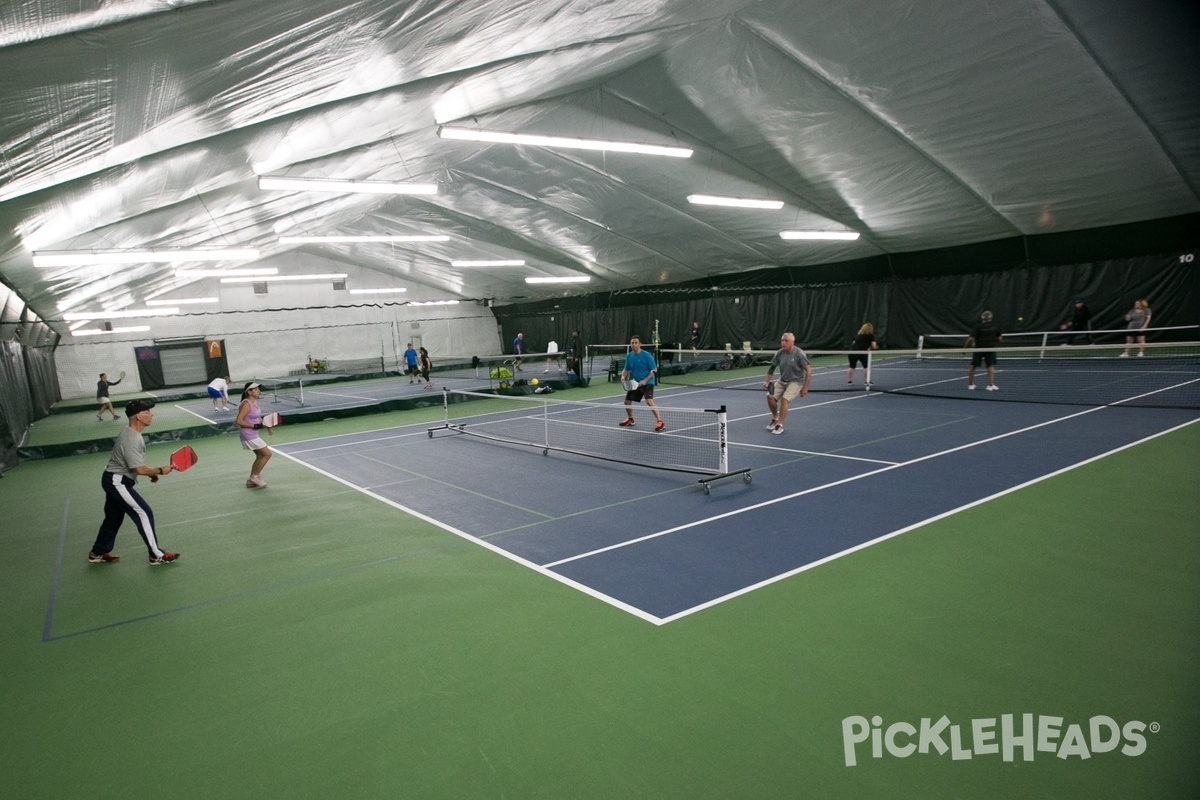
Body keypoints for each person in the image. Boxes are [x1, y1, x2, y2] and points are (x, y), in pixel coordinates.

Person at [88, 399, 179, 565]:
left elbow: (137, 467)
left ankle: (97, 552)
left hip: (114, 479)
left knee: (113, 518)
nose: (151, 415)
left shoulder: (133, 434)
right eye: (147, 412)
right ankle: (156, 554)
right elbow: (138, 469)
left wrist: (152, 474)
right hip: (117, 482)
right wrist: (160, 470)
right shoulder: (131, 438)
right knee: (144, 512)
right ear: (137, 416)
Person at [763, 332, 811, 435]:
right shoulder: (779, 353)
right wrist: (767, 381)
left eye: (786, 341)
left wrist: (805, 387)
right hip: (782, 380)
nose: (783, 343)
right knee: (769, 397)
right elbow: (772, 368)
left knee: (785, 400)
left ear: (792, 342)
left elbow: (808, 369)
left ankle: (779, 425)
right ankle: (775, 418)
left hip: (796, 381)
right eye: (782, 341)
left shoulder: (799, 353)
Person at [619, 336, 664, 431]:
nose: (634, 344)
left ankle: (660, 421)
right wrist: (623, 377)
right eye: (632, 343)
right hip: (636, 383)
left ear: (640, 344)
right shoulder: (629, 356)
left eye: (636, 343)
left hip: (648, 382)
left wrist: (645, 380)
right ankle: (630, 419)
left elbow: (654, 370)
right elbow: (626, 369)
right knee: (627, 402)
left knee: (649, 401)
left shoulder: (647, 355)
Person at [235, 381, 272, 489]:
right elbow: (238, 421)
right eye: (256, 389)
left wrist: (267, 426)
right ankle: (255, 476)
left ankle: (251, 480)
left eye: (258, 389)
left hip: (253, 434)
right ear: (249, 392)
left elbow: (257, 417)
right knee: (267, 454)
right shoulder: (246, 404)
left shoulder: (254, 402)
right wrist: (253, 426)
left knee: (260, 456)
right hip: (248, 434)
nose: (258, 391)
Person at [966, 310, 1002, 391]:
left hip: (979, 348)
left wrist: (965, 348)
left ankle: (971, 385)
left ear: (982, 318)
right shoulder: (995, 327)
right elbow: (1000, 339)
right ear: (991, 318)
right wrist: (994, 341)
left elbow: (971, 339)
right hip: (990, 348)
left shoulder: (977, 327)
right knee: (990, 366)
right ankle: (990, 385)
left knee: (973, 366)